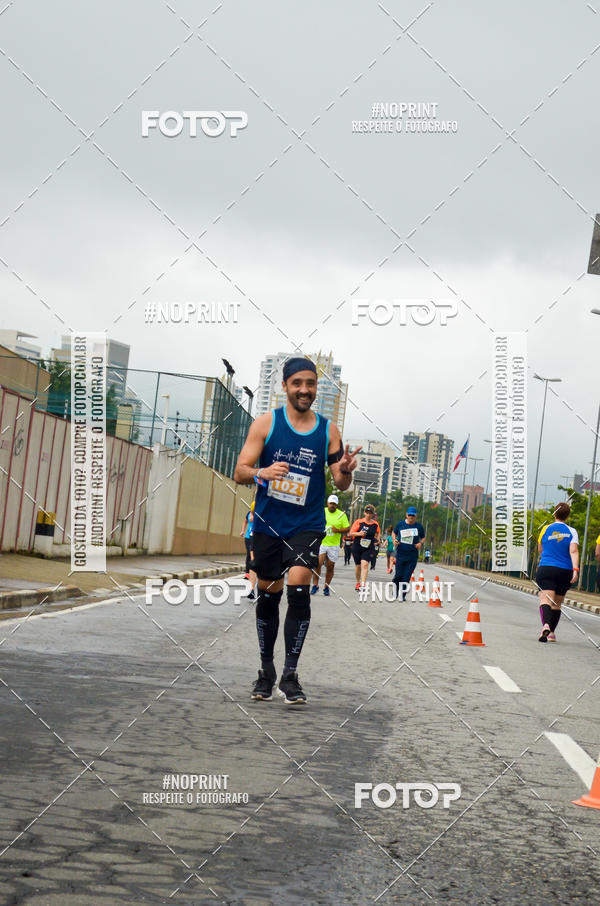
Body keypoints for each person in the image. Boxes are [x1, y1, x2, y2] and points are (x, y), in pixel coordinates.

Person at [233, 356, 360, 704]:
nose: (305, 390)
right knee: (269, 592)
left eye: (311, 383)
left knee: (299, 586)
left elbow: (340, 482)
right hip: (269, 523)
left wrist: (346, 470)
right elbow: (240, 470)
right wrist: (262, 472)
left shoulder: (327, 430)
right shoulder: (266, 424)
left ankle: (290, 675)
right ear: (285, 386)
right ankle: (266, 671)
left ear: (316, 387)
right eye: (297, 383)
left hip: (307, 524)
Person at [535, 502, 579, 642]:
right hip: (565, 571)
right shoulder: (572, 531)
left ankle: (545, 625)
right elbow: (573, 551)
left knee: (545, 600)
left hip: (546, 568)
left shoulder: (545, 529)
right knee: (557, 604)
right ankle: (552, 633)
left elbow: (540, 550)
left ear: (555, 513)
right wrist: (575, 570)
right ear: (567, 516)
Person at [311, 494, 350, 596]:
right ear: (327, 503)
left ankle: (326, 587)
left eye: (334, 504)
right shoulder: (322, 511)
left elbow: (347, 528)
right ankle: (315, 585)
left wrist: (338, 530)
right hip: (322, 543)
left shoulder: (342, 515)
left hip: (334, 544)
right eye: (331, 503)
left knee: (330, 567)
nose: (332, 505)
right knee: (318, 564)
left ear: (337, 505)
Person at [392, 506, 426, 601]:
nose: (411, 517)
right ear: (406, 515)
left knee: (407, 576)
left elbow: (423, 537)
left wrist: (420, 543)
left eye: (413, 515)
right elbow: (394, 533)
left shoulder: (419, 527)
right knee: (398, 575)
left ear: (416, 516)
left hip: (412, 555)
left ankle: (402, 596)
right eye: (409, 515)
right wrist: (394, 540)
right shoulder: (400, 524)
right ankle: (395, 592)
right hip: (401, 554)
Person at [348, 505, 380, 590]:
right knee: (358, 566)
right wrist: (359, 534)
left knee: (365, 564)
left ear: (373, 514)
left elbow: (377, 533)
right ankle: (358, 582)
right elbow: (350, 533)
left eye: (370, 513)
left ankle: (363, 584)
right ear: (364, 512)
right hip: (357, 546)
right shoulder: (359, 522)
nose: (368, 515)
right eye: (367, 513)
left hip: (368, 547)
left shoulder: (375, 524)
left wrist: (378, 540)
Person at [240, 503, 257, 599]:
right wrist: (242, 531)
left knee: (254, 558)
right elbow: (245, 521)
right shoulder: (248, 514)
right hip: (249, 537)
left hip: (258, 538)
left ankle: (254, 577)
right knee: (249, 555)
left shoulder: (260, 515)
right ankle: (247, 574)